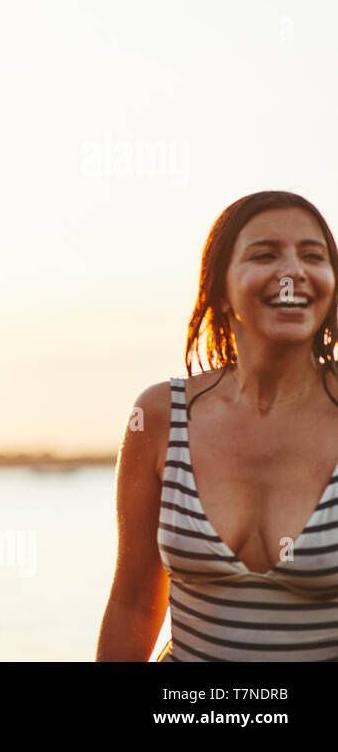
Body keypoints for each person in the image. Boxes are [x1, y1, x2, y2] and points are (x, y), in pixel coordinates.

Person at [98, 190, 338, 661]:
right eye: (265, 254)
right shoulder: (161, 418)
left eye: (313, 255)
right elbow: (133, 604)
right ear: (221, 290)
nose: (293, 272)